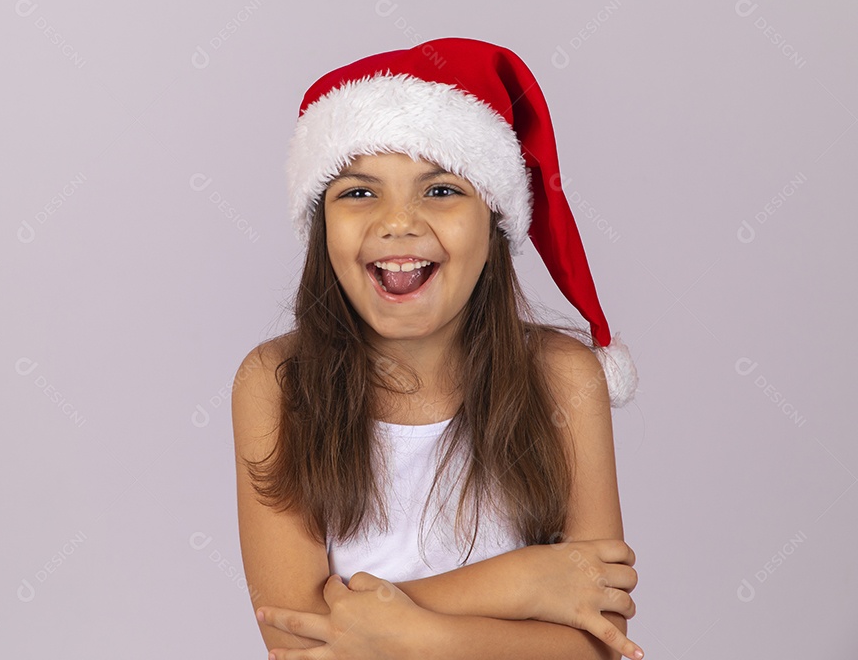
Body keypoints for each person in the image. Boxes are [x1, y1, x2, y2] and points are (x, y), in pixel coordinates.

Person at [233, 37, 643, 660]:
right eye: (360, 192)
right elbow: (295, 635)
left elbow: (598, 642)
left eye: (442, 189)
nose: (398, 222)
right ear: (321, 228)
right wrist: (522, 581)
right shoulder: (278, 382)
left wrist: (416, 634)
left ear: (495, 223)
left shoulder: (564, 377)